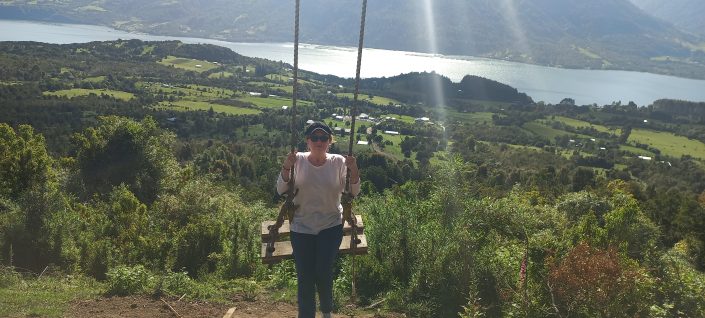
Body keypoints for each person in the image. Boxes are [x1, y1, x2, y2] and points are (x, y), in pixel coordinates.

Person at [277, 121, 361, 318]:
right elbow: (281, 189)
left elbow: (353, 192)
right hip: (301, 226)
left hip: (330, 226)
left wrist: (354, 170)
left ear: (330, 141)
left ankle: (326, 311)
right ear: (307, 141)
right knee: (305, 276)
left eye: (323, 138)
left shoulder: (338, 162)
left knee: (323, 270)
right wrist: (286, 167)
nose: (319, 141)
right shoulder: (297, 160)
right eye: (314, 137)